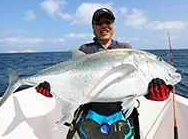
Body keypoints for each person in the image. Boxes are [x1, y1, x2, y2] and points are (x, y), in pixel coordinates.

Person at [35, 8, 173, 139]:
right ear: (93, 26)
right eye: (99, 22)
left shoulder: (125, 49)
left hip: (121, 116)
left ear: (113, 25)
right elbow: (74, 81)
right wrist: (53, 90)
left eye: (108, 22)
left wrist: (150, 92)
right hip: (88, 113)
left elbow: (132, 85)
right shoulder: (85, 50)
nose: (104, 25)